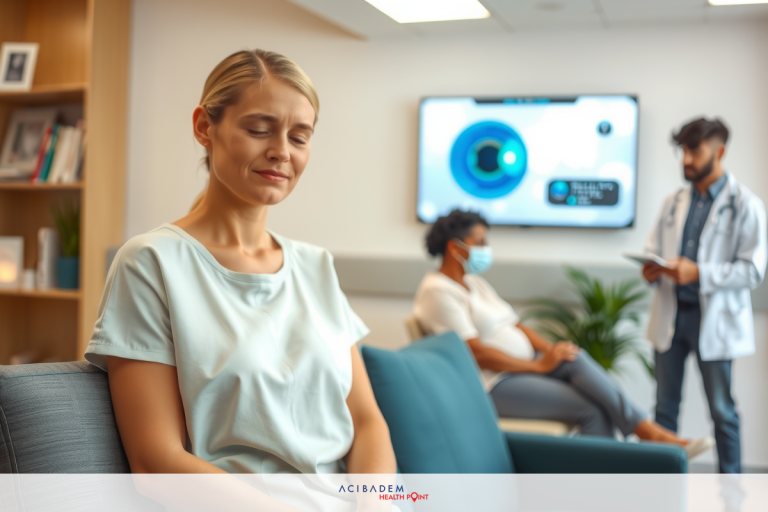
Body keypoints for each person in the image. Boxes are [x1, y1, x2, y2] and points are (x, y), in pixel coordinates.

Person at [84, 50, 396, 480]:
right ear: (203, 127)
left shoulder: (315, 265)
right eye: (259, 129)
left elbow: (367, 423)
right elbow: (156, 462)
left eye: (300, 137)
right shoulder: (151, 262)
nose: (282, 152)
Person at [413, 209, 713, 458]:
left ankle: (646, 435)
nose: (485, 249)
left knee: (573, 356)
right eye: (479, 242)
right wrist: (536, 366)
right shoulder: (437, 291)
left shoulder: (473, 282)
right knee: (591, 409)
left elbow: (514, 325)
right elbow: (474, 352)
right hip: (490, 385)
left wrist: (552, 351)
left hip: (520, 371)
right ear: (455, 247)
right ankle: (640, 448)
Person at [642, 118, 767, 473]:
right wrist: (652, 269)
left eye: (694, 150)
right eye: (682, 150)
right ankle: (660, 484)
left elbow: (753, 271)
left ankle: (733, 494)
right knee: (664, 409)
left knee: (722, 411)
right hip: (672, 315)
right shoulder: (672, 202)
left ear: (720, 152)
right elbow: (653, 248)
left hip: (712, 321)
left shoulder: (746, 205)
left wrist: (699, 273)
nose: (686, 159)